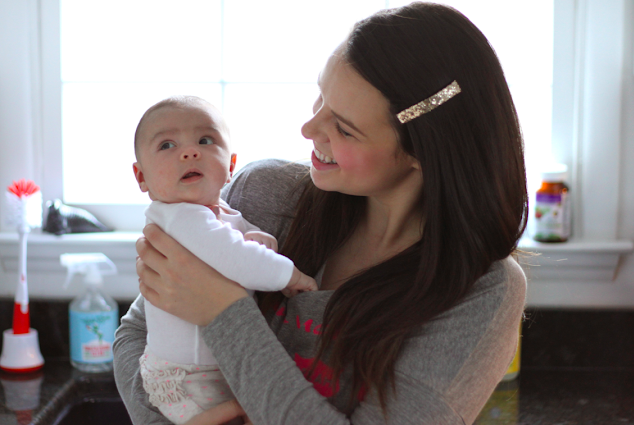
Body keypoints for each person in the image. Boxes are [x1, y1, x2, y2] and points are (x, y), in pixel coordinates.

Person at [114, 3, 528, 424]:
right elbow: (138, 332)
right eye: (321, 96)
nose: (309, 129)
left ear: (421, 153)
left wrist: (225, 313)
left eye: (344, 128)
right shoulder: (264, 194)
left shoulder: (479, 290)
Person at [130, 96, 318, 424]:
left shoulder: (224, 215)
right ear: (141, 177)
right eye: (167, 145)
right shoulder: (178, 216)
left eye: (205, 140)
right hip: (187, 378)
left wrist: (260, 240)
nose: (190, 152)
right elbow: (235, 258)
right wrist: (290, 275)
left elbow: (242, 245)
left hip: (209, 369)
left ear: (231, 166)